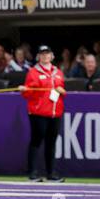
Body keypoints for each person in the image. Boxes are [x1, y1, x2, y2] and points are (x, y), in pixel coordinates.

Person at [22, 45, 66, 182]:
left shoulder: (58, 72)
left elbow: (63, 91)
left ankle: (51, 173)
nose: (45, 56)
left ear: (52, 56)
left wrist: (61, 90)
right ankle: (33, 172)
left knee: (51, 143)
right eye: (42, 54)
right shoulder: (33, 72)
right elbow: (27, 93)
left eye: (47, 53)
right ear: (38, 57)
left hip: (55, 112)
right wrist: (25, 89)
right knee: (36, 141)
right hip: (38, 112)